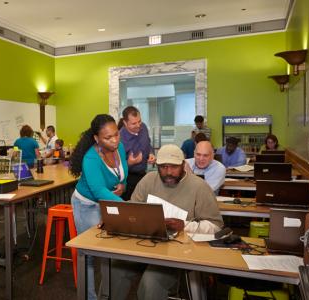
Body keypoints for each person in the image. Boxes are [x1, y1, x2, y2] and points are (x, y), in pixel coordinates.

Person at [111, 144, 223, 300]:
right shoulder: (149, 180)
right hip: (145, 243)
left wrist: (185, 225)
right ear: (156, 166)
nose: (168, 172)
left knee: (151, 283)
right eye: (163, 167)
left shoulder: (199, 187)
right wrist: (115, 218)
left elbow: (216, 227)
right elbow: (133, 208)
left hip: (177, 251)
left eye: (174, 167)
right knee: (115, 270)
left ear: (183, 165)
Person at [69, 114, 128, 300]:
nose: (114, 140)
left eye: (116, 135)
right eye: (108, 137)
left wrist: (123, 185)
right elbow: (97, 190)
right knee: (88, 255)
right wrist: (125, 208)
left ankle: (106, 294)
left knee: (109, 251)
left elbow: (123, 173)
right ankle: (89, 297)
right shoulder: (91, 158)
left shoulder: (120, 147)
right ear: (96, 138)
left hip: (107, 203)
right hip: (86, 204)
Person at [119, 106, 155, 200]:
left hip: (143, 175)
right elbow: (116, 168)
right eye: (134, 123)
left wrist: (151, 153)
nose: (138, 125)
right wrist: (129, 163)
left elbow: (148, 143)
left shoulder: (143, 127)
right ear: (125, 123)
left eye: (139, 121)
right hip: (128, 179)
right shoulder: (119, 139)